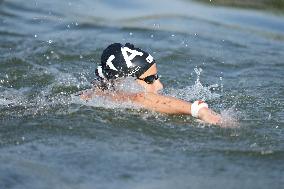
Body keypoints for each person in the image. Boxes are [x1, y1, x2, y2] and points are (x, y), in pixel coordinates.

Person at [80, 43, 221, 125]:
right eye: (150, 79)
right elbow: (139, 98)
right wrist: (198, 110)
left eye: (157, 77)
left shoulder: (101, 96)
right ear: (123, 82)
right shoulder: (108, 98)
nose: (160, 86)